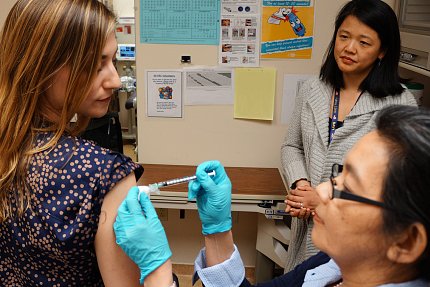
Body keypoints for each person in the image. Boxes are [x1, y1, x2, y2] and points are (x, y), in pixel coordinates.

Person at [114, 105, 430, 286]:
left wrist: (157, 270)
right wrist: (218, 230)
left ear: (406, 241)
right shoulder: (331, 266)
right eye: (338, 175)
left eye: (348, 188)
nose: (321, 191)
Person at [0, 0, 174, 286]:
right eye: (95, 67)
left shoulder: (9, 149)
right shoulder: (103, 175)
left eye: (113, 61)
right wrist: (159, 268)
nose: (116, 81)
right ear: (43, 68)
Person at [280, 0, 417, 271]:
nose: (349, 48)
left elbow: (399, 185)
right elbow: (291, 146)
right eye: (344, 36)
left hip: (360, 241)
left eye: (364, 42)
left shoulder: (400, 104)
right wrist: (301, 185)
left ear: (382, 51)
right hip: (308, 229)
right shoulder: (312, 89)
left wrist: (325, 198)